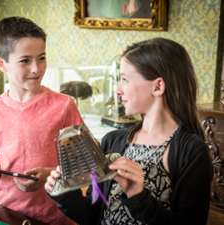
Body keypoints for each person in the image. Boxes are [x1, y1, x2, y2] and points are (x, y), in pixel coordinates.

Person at [45, 37, 212, 225]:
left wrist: (138, 196)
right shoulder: (111, 141)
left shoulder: (191, 151)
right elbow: (92, 216)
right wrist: (65, 194)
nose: (118, 90)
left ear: (157, 86)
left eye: (125, 80)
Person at [0, 16, 83, 225]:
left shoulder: (64, 106)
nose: (36, 69)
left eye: (42, 57)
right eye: (25, 60)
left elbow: (84, 164)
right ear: (2, 64)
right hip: (7, 214)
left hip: (58, 217)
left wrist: (48, 175)